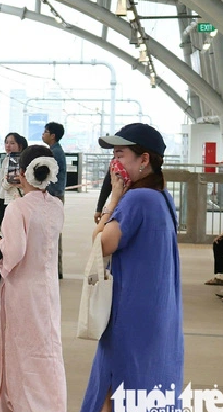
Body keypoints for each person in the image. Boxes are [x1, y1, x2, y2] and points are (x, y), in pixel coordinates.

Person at [81, 123, 183, 412]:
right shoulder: (163, 197)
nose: (115, 163)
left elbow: (100, 243)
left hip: (131, 312)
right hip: (157, 311)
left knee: (114, 387)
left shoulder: (137, 199)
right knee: (147, 383)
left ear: (144, 159)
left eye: (121, 154)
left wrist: (113, 199)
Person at [0, 145, 66, 412]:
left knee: (22, 349)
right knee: (48, 346)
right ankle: (51, 402)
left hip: (23, 289)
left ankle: (23, 404)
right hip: (48, 290)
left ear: (21, 173)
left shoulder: (18, 207)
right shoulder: (56, 206)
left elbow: (14, 252)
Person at [42, 121, 66, 279]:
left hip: (54, 195)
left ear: (53, 135)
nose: (43, 134)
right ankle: (55, 268)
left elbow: (52, 177)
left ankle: (55, 269)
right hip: (55, 194)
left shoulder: (54, 152)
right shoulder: (54, 150)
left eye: (45, 132)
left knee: (52, 232)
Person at [0, 132, 28, 228]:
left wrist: (9, 181)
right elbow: (0, 183)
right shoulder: (6, 160)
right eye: (6, 142)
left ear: (20, 145)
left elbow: (13, 182)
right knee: (2, 227)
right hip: (3, 199)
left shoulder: (25, 161)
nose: (8, 145)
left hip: (17, 199)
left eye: (12, 143)